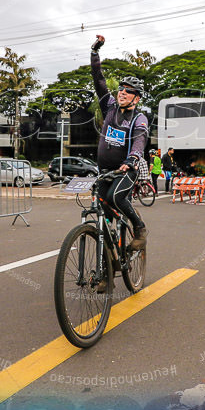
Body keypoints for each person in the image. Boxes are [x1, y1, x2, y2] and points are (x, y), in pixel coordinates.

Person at [90, 34, 149, 250]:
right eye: (121, 89)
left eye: (129, 91)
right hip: (104, 169)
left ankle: (140, 228)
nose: (123, 92)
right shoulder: (110, 107)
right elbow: (99, 80)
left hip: (126, 170)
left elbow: (139, 141)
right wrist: (95, 53)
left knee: (116, 197)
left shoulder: (139, 119)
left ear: (137, 98)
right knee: (102, 213)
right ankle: (107, 267)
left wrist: (132, 159)